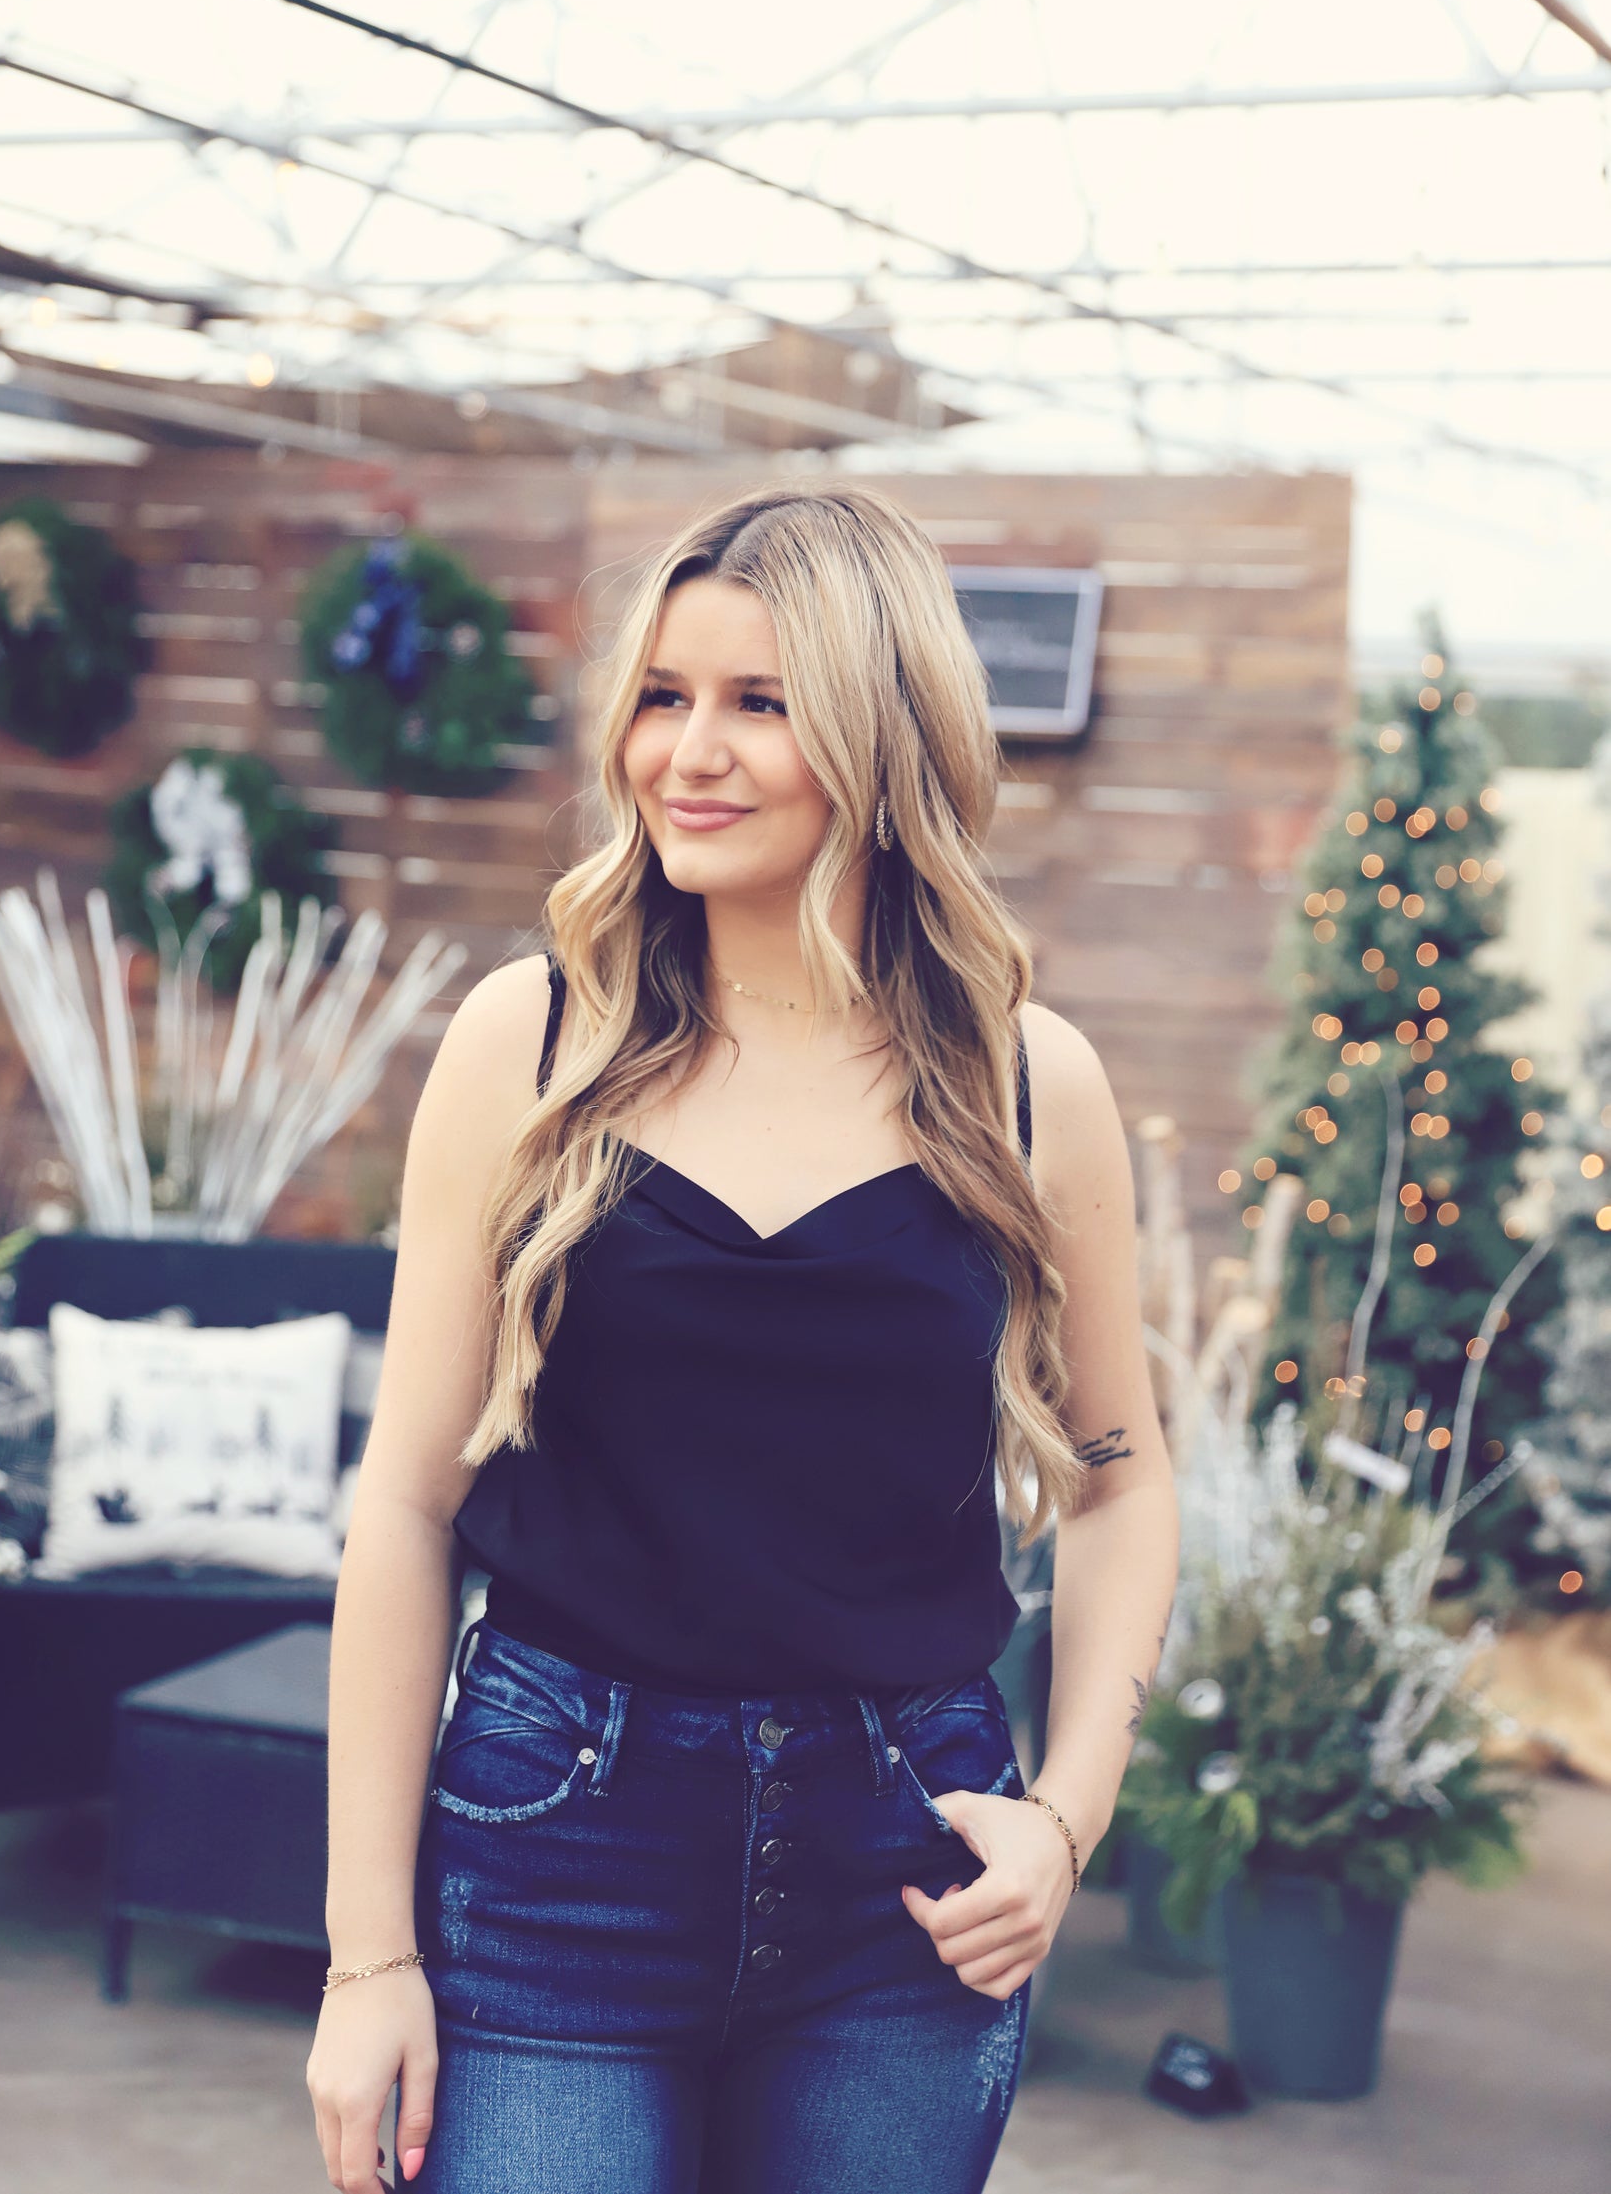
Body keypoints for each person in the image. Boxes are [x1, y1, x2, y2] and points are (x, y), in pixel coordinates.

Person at [307, 484, 1177, 2194]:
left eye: (759, 702)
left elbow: (1119, 1480)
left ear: (882, 732)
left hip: (908, 1873)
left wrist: (1065, 1818)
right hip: (555, 1853)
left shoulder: (1025, 1081)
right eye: (662, 694)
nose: (686, 752)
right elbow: (406, 1504)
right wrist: (365, 1954)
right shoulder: (530, 1040)